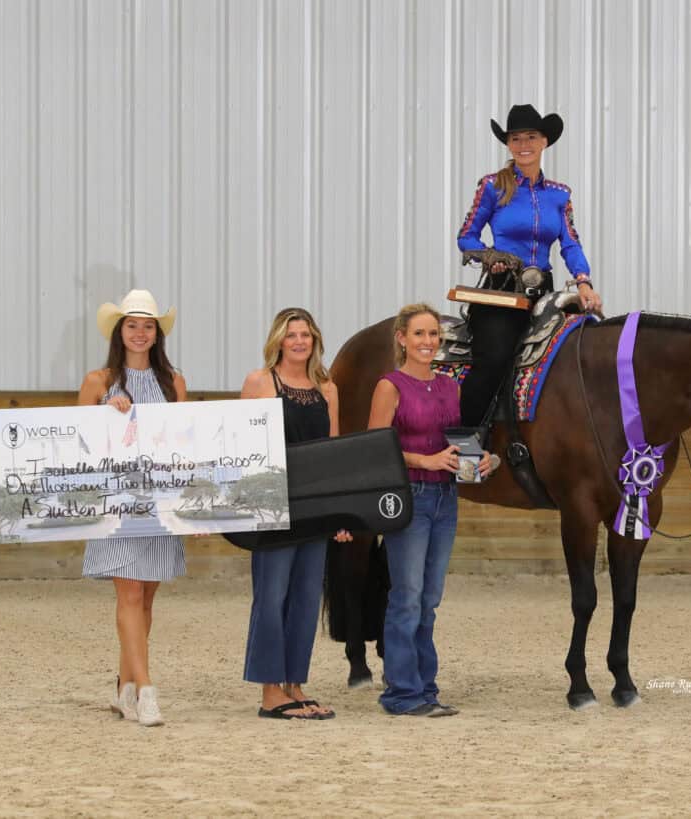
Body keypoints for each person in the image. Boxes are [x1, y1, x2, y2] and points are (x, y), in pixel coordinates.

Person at [367, 304, 493, 716]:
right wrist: (426, 462)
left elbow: (455, 441)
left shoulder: (449, 386)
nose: (428, 342)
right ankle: (402, 693)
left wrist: (482, 460)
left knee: (429, 599)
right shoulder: (390, 385)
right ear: (402, 338)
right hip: (410, 499)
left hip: (445, 499)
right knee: (407, 596)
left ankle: (424, 687)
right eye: (419, 334)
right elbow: (375, 448)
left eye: (433, 335)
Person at [457, 103, 604, 427]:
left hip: (545, 291)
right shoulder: (492, 186)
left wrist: (583, 281)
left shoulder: (560, 194)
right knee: (493, 358)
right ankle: (464, 439)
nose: (524, 145)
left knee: (577, 353)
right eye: (516, 139)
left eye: (531, 137)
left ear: (544, 142)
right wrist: (489, 257)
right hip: (502, 290)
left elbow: (569, 242)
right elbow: (466, 236)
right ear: (509, 145)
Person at [79, 289, 187, 727]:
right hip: (116, 505)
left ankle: (124, 685)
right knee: (129, 592)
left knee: (145, 598)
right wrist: (107, 413)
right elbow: (78, 444)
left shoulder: (173, 383)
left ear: (156, 334)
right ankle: (146, 691)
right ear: (119, 332)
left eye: (147, 326)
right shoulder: (99, 380)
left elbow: (183, 445)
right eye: (132, 325)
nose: (140, 333)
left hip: (159, 504)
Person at [239, 307, 352, 720]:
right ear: (279, 341)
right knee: (272, 597)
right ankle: (270, 691)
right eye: (291, 335)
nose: (299, 341)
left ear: (315, 339)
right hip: (271, 505)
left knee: (306, 597)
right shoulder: (259, 382)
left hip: (315, 506)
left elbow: (334, 452)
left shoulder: (327, 388)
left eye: (305, 334)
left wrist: (341, 512)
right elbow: (239, 448)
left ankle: (295, 685)